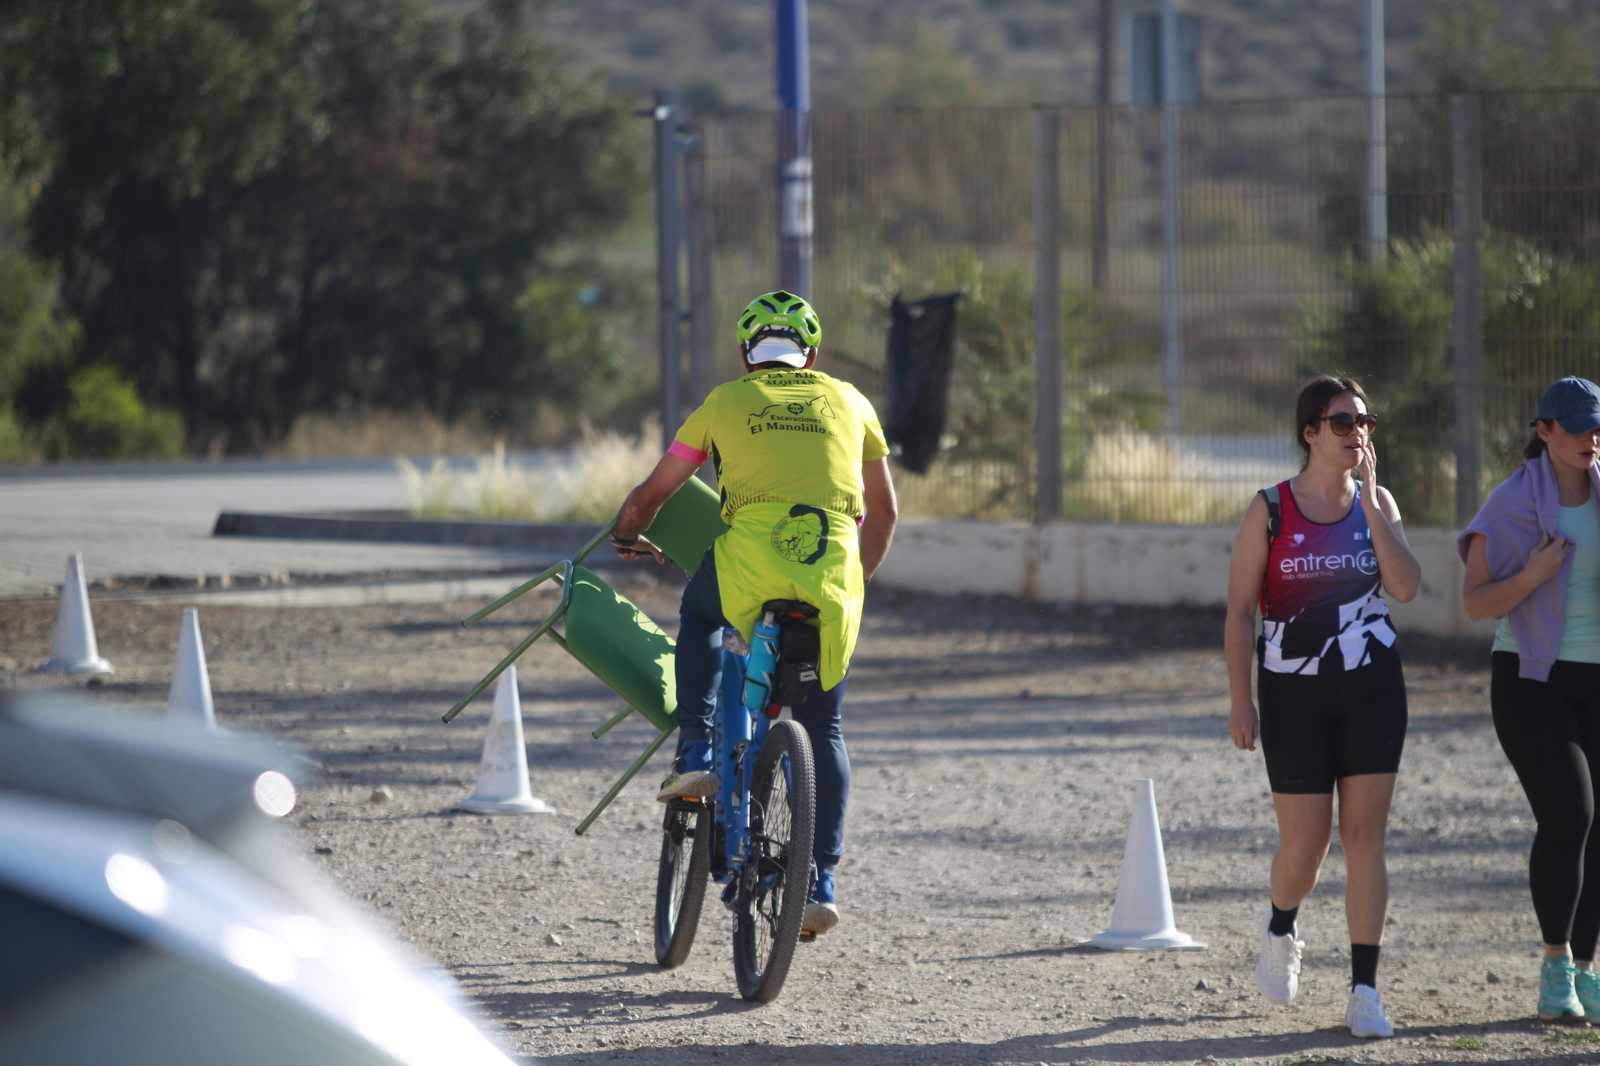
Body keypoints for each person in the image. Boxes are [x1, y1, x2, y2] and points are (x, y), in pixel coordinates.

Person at [611, 290, 898, 937]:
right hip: (830, 573)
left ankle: (695, 748)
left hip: (748, 566)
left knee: (700, 614)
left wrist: (628, 533)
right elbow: (886, 514)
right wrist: (853, 582)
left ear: (747, 356)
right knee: (824, 725)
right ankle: (820, 879)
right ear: (813, 355)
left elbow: (653, 494)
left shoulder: (725, 402)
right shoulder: (853, 401)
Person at [1224, 375, 1421, 1039]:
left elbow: (1407, 587)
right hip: (1292, 691)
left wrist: (1370, 505)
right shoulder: (1271, 509)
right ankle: (1281, 924)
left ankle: (1365, 990)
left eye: (1364, 423)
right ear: (1310, 432)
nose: (1357, 435)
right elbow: (1240, 609)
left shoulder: (1378, 501)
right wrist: (1239, 701)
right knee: (1304, 851)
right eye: (1342, 423)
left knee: (1365, 835)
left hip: (1371, 685)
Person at [1460, 376, 1600, 1021]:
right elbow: (1474, 602)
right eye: (1575, 427)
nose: (1589, 439)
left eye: (1596, 426)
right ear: (1544, 432)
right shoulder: (1511, 503)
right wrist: (1534, 574)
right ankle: (1554, 967)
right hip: (1531, 678)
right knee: (1570, 814)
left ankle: (1585, 972)